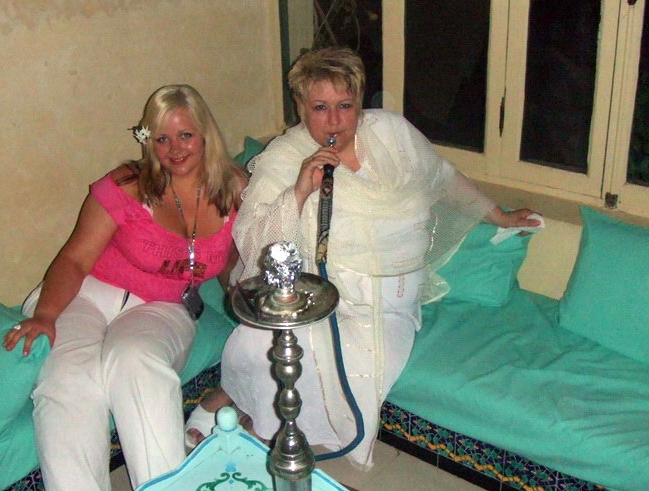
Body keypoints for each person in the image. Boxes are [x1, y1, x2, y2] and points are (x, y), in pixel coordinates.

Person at [185, 47, 539, 469]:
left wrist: (498, 215)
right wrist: (299, 191)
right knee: (260, 341)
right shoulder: (285, 156)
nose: (334, 120)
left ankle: (263, 425)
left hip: (390, 302)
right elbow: (256, 243)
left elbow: (442, 177)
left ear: (359, 103)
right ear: (300, 106)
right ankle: (236, 408)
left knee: (353, 365)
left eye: (345, 105)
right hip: (319, 289)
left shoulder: (391, 133)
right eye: (320, 107)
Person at [3, 84, 246, 491]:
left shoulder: (235, 189)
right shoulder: (126, 185)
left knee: (135, 363)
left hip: (162, 307)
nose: (174, 149)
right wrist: (46, 315)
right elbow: (75, 258)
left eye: (185, 136)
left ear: (205, 134)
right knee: (67, 382)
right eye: (162, 138)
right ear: (148, 141)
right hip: (86, 295)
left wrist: (245, 296)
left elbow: (232, 260)